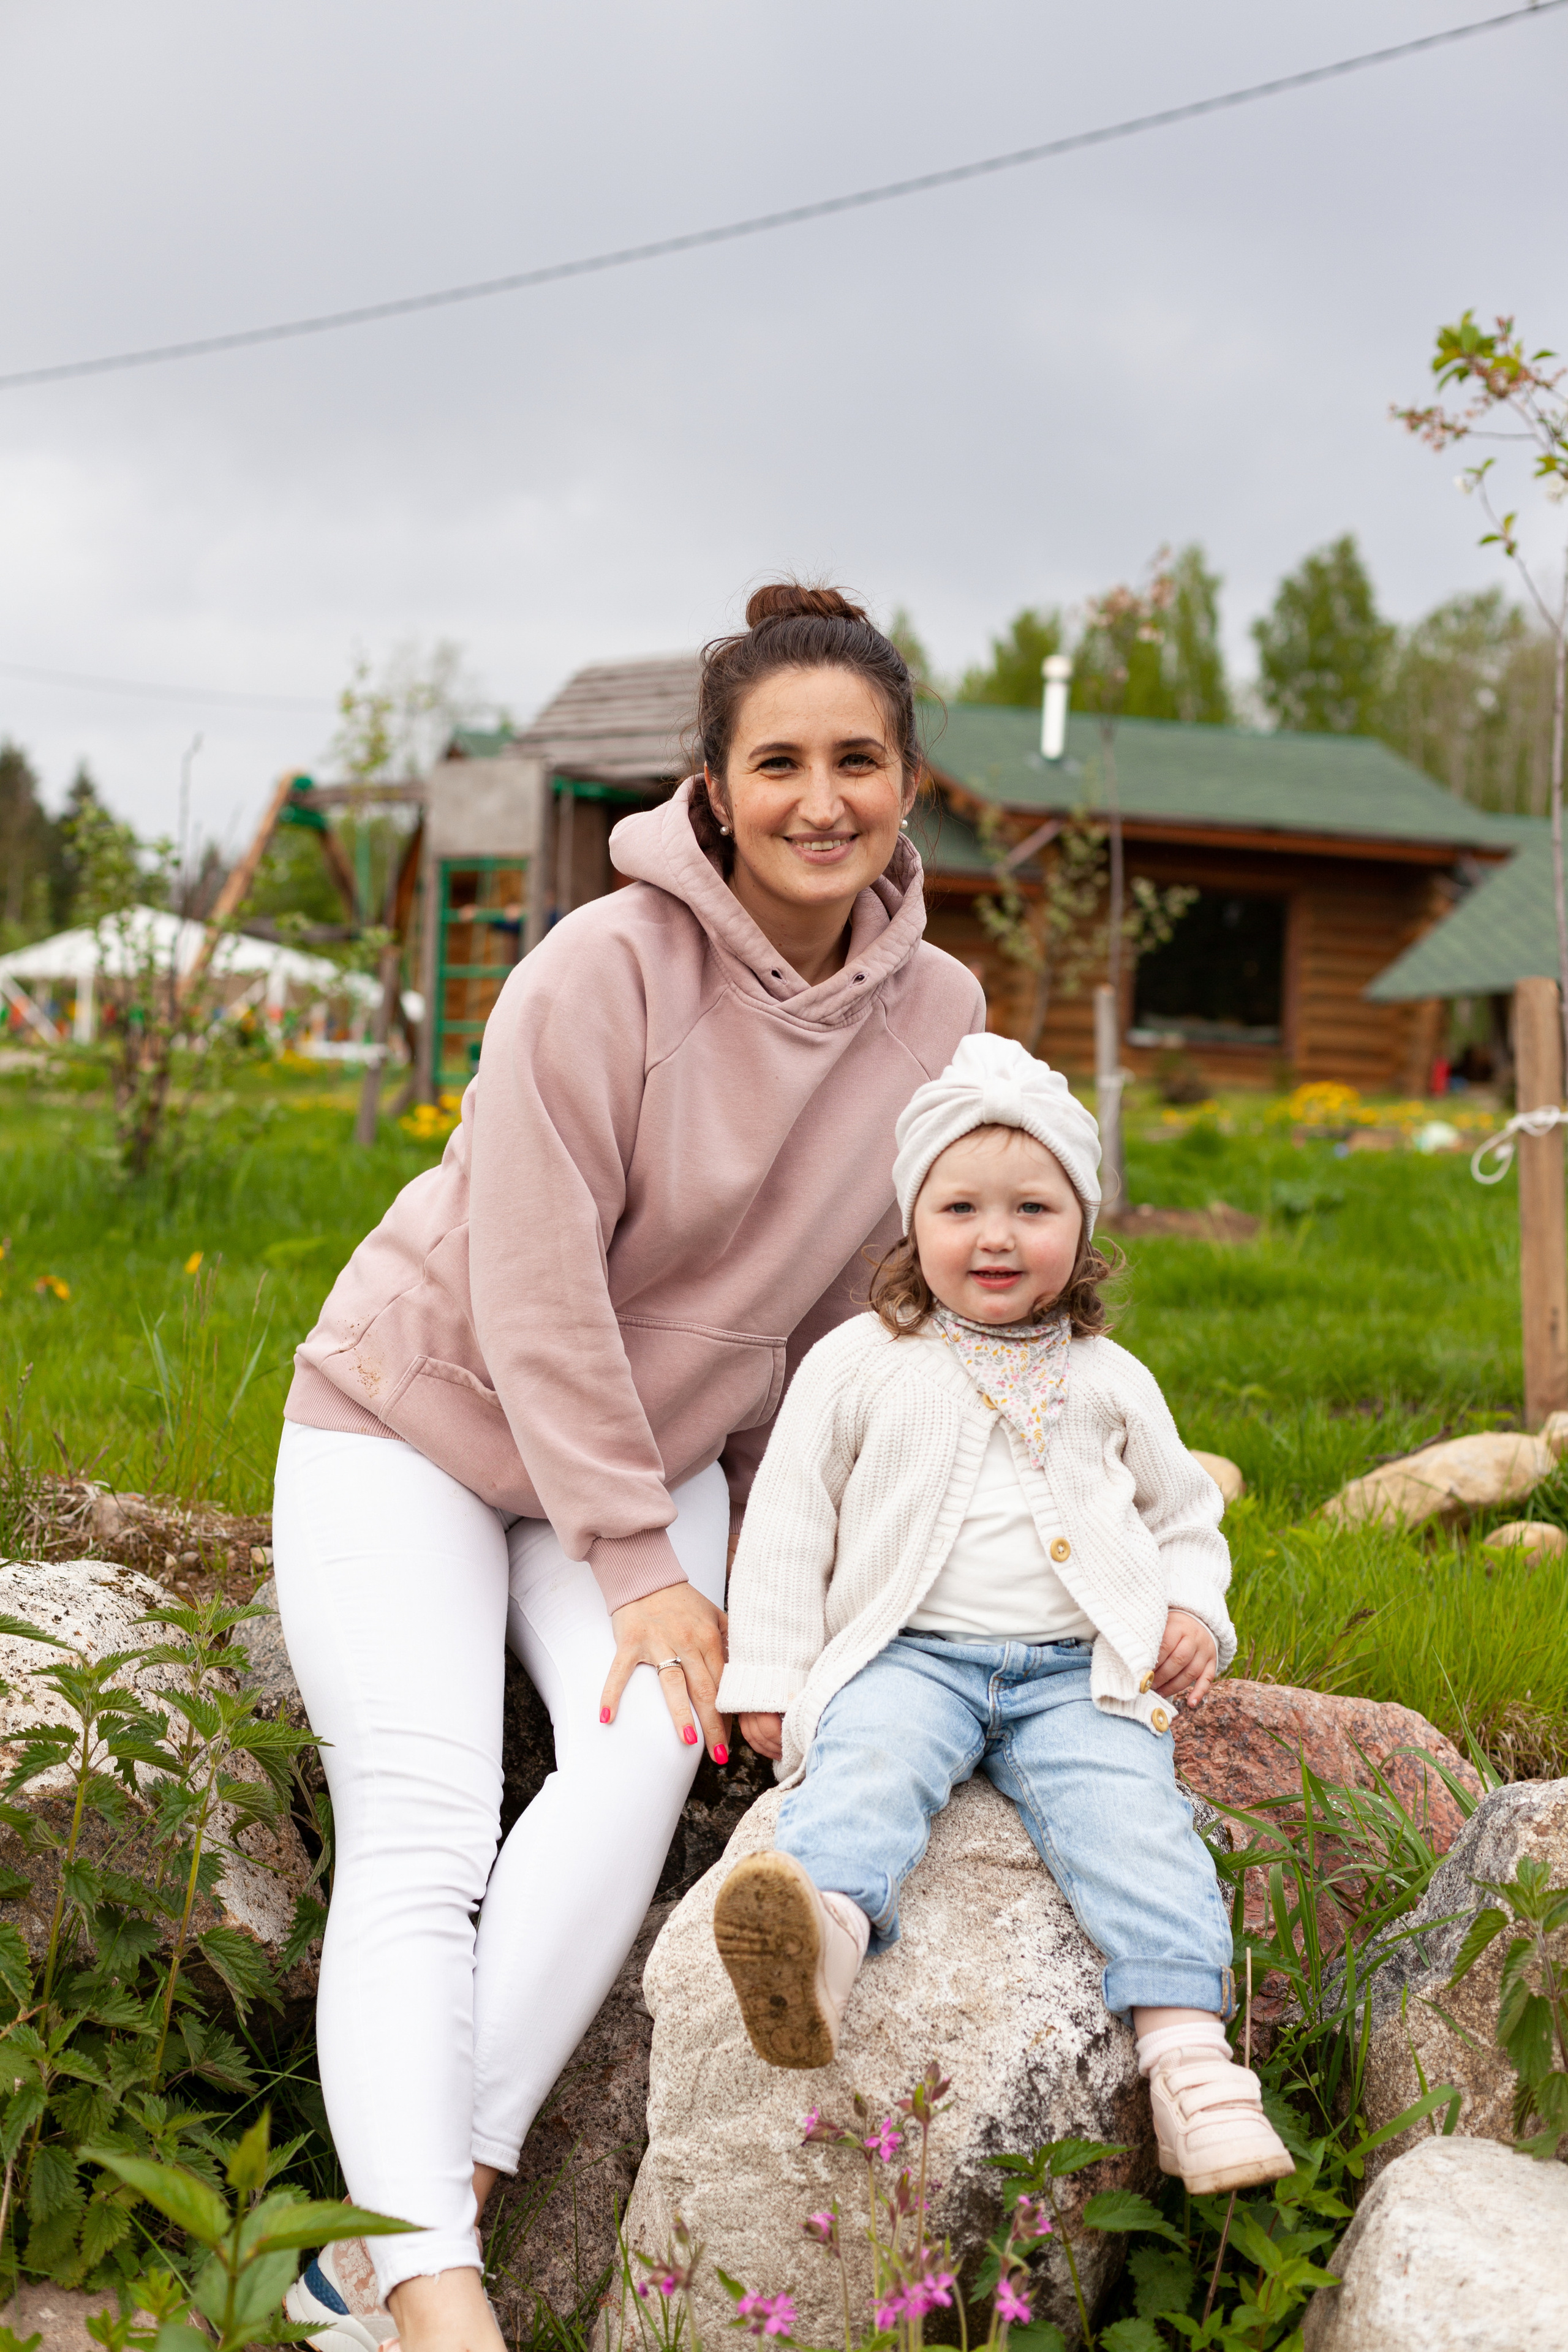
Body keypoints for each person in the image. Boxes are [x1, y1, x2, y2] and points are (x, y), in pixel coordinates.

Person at [270, 584, 986, 2352]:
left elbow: (844, 1318)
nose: (821, 800)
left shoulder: (940, 1014)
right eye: (779, 765)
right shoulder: (596, 970)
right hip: (421, 1422)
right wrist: (639, 1560)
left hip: (655, 1451)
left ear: (908, 783)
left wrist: (787, 1585)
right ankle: (441, 2299)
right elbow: (530, 1286)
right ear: (713, 791)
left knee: (647, 1752)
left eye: (858, 762)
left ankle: (391, 2243)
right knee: (427, 1819)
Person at [712, 1035, 1294, 2199]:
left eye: (1034, 1208)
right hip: (910, 1656)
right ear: (911, 1222)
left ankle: (1193, 2070)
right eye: (961, 1208)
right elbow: (788, 1521)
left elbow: (1185, 1516)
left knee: (1136, 1825)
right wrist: (770, 1672)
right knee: (869, 1770)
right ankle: (817, 1947)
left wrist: (1191, 1607)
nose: (996, 1236)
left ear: (1081, 1227)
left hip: (1077, 1672)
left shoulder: (1111, 1376)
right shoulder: (859, 1361)